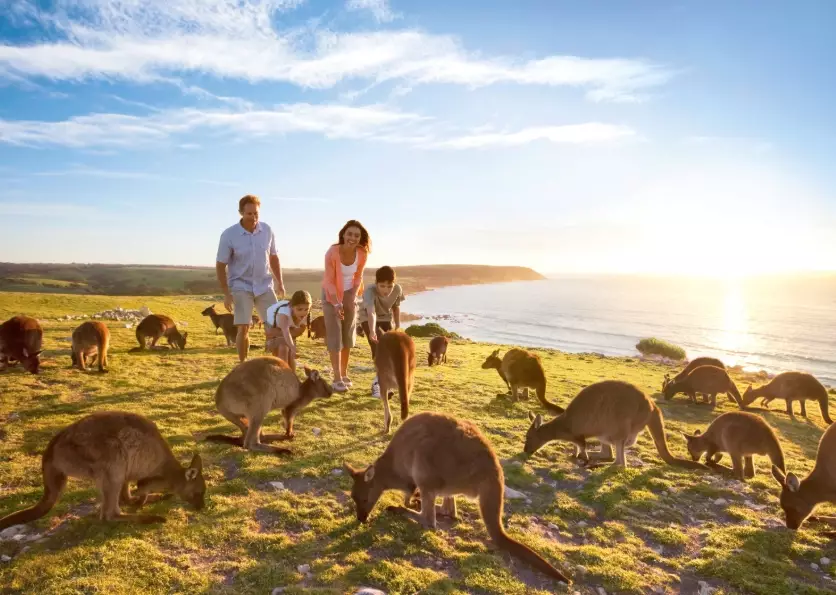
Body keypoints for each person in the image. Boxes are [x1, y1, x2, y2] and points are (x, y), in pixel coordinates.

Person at [216, 195, 285, 363]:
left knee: (274, 326)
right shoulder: (229, 235)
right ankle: (243, 365)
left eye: (256, 213)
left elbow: (274, 258)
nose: (253, 217)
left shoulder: (267, 230)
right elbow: (220, 265)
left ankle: (276, 365)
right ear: (241, 213)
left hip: (264, 285)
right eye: (249, 214)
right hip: (241, 286)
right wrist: (226, 294)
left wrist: (280, 282)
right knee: (243, 327)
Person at [321, 220, 371, 393]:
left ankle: (344, 372)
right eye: (349, 234)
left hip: (350, 294)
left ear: (360, 238)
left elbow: (358, 276)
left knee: (348, 333)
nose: (352, 238)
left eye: (356, 235)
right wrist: (336, 302)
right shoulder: (332, 252)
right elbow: (328, 280)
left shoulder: (362, 253)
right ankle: (336, 377)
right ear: (343, 234)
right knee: (335, 335)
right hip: (330, 295)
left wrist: (352, 295)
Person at [358, 266, 404, 398]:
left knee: (391, 351)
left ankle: (385, 382)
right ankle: (376, 385)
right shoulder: (369, 291)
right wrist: (372, 330)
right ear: (376, 283)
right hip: (368, 318)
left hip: (386, 318)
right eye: (382, 286)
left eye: (389, 286)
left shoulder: (397, 290)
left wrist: (398, 326)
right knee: (378, 348)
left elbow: (396, 308)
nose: (386, 290)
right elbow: (371, 311)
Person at [264, 290, 312, 372]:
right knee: (284, 348)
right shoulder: (283, 313)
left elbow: (299, 331)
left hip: (283, 331)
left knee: (291, 354)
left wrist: (276, 332)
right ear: (291, 306)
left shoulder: (307, 315)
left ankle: (292, 377)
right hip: (273, 327)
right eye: (299, 309)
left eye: (306, 309)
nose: (303, 312)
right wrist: (293, 347)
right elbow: (286, 332)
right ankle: (284, 375)